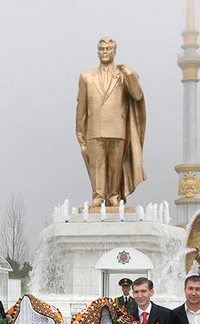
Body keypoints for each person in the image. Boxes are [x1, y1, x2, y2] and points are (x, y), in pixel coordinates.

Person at [76, 36, 146, 207]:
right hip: (95, 128)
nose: (104, 52)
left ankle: (114, 195)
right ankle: (98, 196)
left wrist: (130, 75)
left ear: (115, 51)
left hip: (117, 128)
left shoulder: (123, 75)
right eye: (101, 49)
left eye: (108, 49)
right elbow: (81, 107)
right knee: (97, 165)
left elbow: (137, 96)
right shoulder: (86, 76)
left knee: (116, 165)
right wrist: (79, 131)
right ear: (97, 51)